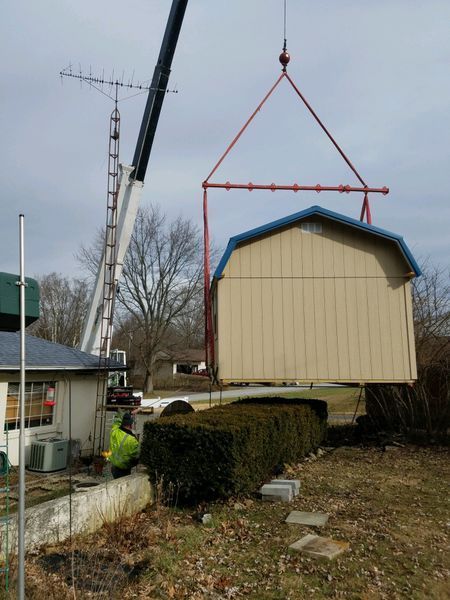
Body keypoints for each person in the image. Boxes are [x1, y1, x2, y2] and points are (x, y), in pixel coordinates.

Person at [109, 407, 141, 479]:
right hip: (124, 470)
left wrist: (129, 414)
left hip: (114, 467)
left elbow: (117, 420)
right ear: (131, 424)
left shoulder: (114, 431)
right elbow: (137, 457)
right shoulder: (132, 440)